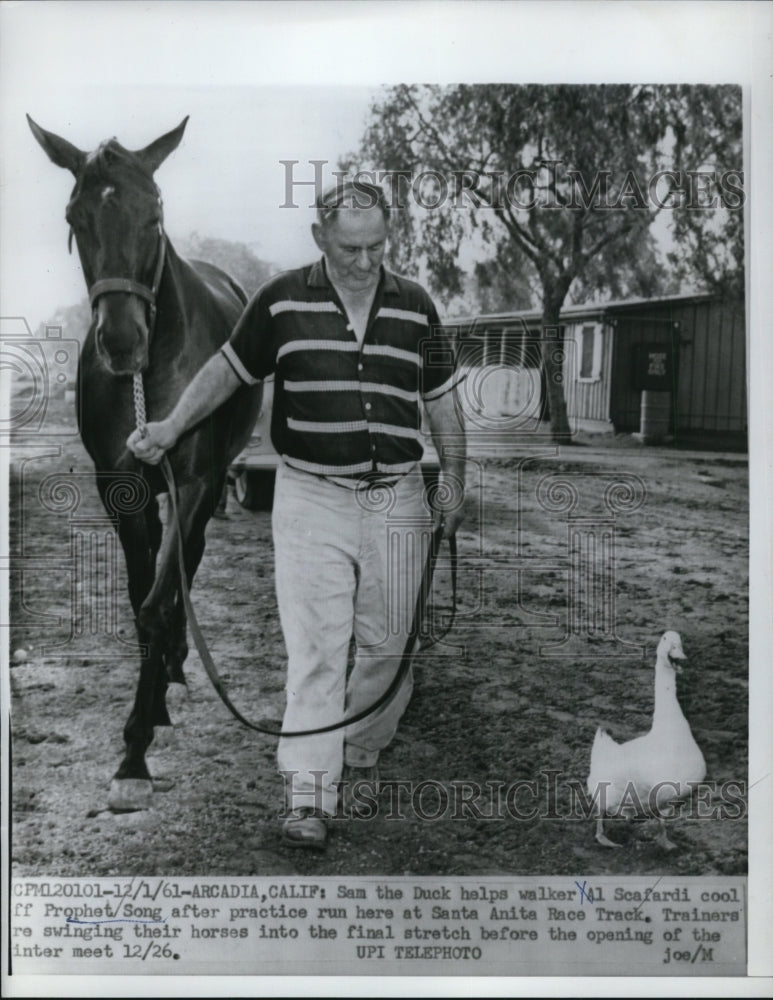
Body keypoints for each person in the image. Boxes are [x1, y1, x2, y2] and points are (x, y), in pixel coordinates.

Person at [128, 179, 466, 850]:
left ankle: (363, 752)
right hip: (310, 495)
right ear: (319, 237)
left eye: (376, 247)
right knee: (316, 652)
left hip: (396, 495)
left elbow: (443, 400)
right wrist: (168, 428)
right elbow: (227, 372)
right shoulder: (280, 300)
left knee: (389, 646)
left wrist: (454, 476)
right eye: (350, 248)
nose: (366, 262)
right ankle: (309, 794)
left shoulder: (415, 305)